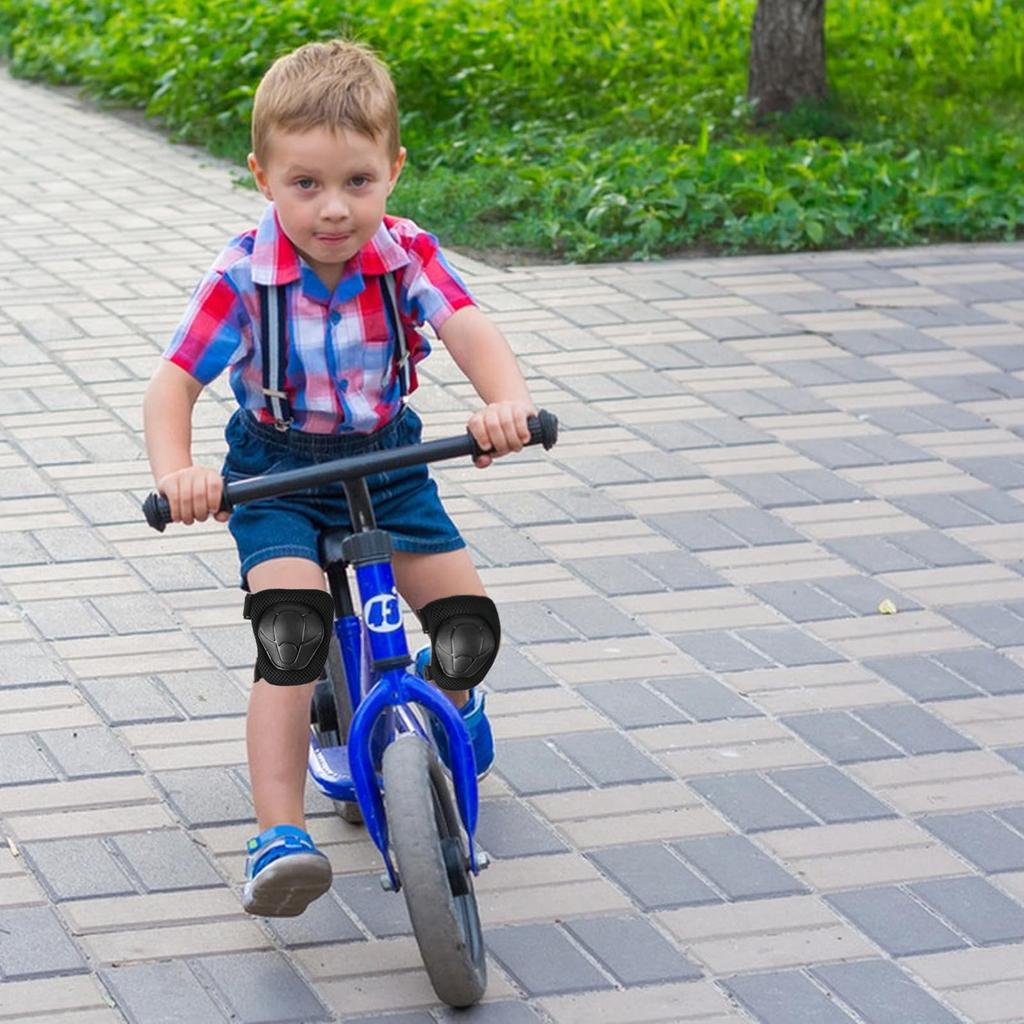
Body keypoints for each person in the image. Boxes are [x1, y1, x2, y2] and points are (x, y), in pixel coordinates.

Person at [142, 38, 535, 917]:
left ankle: (445, 706)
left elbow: (470, 330)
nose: (332, 209)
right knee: (292, 635)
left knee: (469, 630)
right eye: (305, 184)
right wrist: (181, 474)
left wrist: (503, 404)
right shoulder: (242, 274)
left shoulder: (407, 255)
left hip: (389, 466)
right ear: (263, 176)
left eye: (357, 182)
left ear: (393, 169)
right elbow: (173, 385)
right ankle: (277, 836)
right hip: (276, 475)